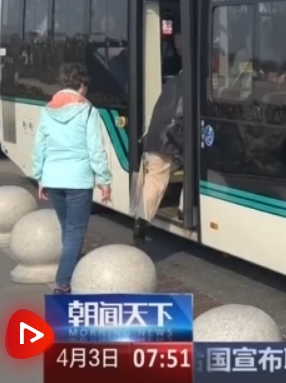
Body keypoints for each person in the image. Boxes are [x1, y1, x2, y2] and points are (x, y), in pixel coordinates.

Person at [31, 63, 113, 294]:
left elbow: (39, 147)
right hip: (78, 180)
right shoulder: (87, 111)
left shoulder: (48, 109)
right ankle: (63, 282)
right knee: (75, 232)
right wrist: (104, 179)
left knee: (67, 229)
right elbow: (95, 149)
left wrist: (40, 178)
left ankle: (71, 271)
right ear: (82, 84)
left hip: (53, 179)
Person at [133, 55, 186, 243]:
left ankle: (141, 220)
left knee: (154, 179)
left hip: (155, 138)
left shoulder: (171, 83)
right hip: (171, 141)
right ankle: (183, 210)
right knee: (193, 170)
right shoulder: (191, 85)